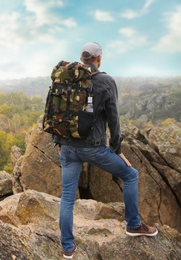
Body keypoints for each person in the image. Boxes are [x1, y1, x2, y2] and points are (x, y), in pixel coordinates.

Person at [54, 42, 158, 259]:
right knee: (130, 175)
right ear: (98, 58)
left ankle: (67, 247)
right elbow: (114, 120)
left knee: (67, 197)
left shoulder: (68, 78)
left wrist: (60, 142)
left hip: (67, 147)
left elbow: (57, 111)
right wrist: (117, 149)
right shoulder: (105, 81)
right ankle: (133, 224)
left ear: (82, 59)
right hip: (93, 148)